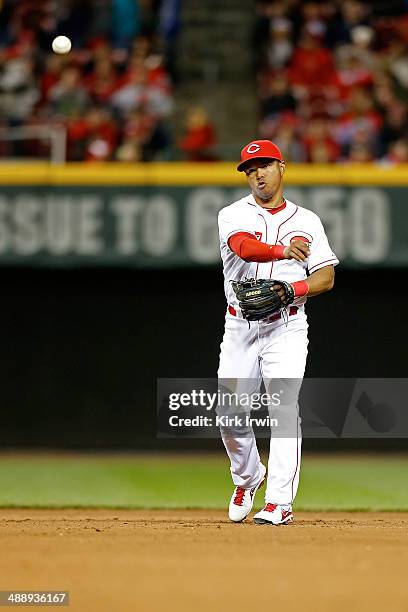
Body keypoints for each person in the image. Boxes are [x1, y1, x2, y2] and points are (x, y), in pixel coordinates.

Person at [217, 139, 339, 525]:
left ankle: (279, 503)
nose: (257, 174)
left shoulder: (308, 221)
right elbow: (244, 247)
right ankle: (249, 477)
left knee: (284, 409)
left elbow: (326, 276)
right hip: (240, 325)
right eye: (250, 169)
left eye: (264, 165)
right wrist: (282, 252)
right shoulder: (231, 214)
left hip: (286, 325)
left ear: (281, 168)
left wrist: (293, 289)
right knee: (229, 414)